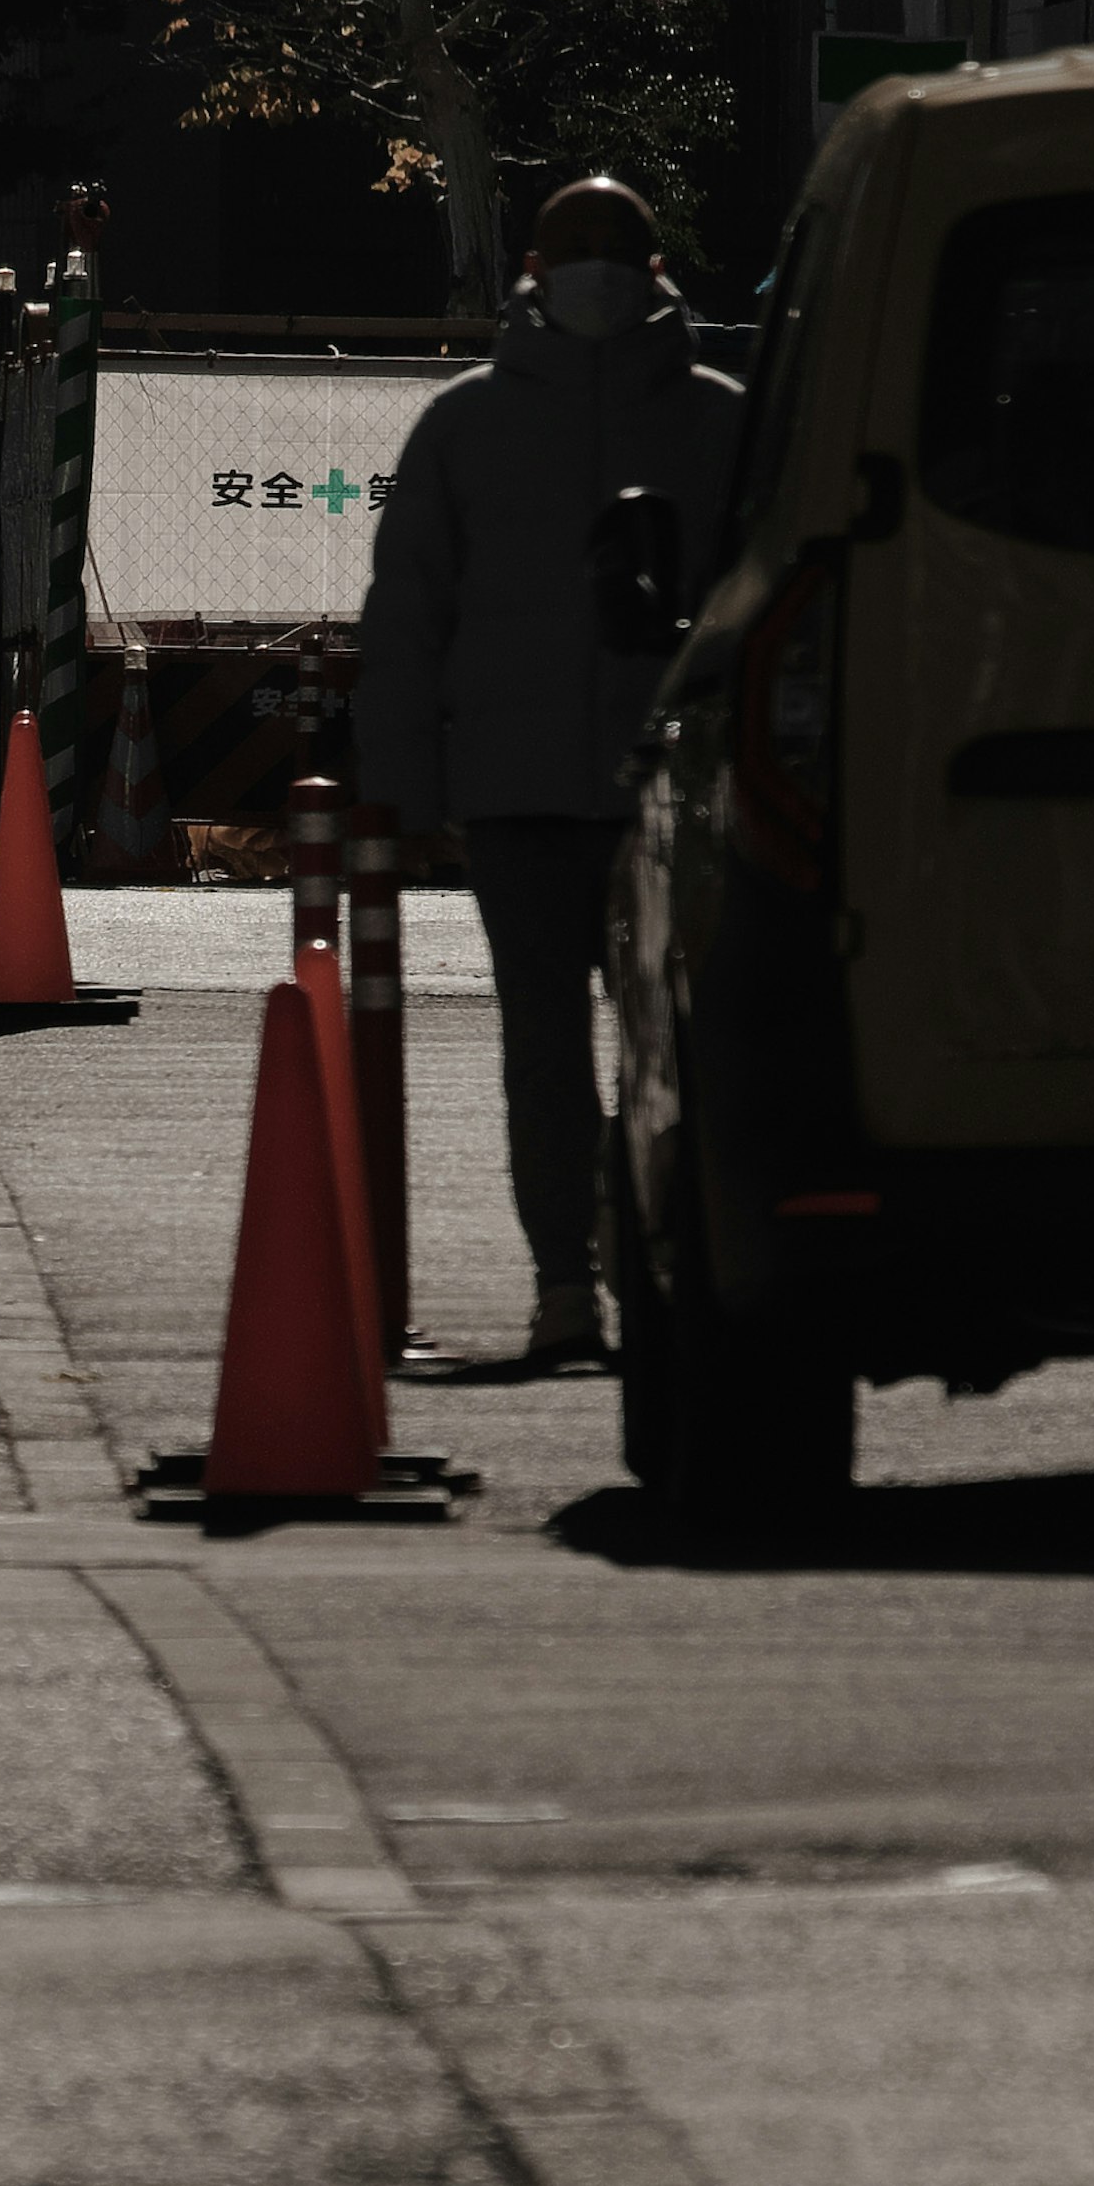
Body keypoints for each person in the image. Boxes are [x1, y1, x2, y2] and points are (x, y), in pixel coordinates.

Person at [349, 174, 745, 1371]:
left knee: (677, 1048)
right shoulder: (465, 422)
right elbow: (406, 617)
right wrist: (400, 793)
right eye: (574, 248)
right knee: (545, 1052)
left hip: (677, 795)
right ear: (529, 268)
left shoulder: (725, 420)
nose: (594, 268)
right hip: (517, 790)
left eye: (613, 248)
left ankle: (654, 1257)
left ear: (657, 269)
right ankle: (566, 1280)